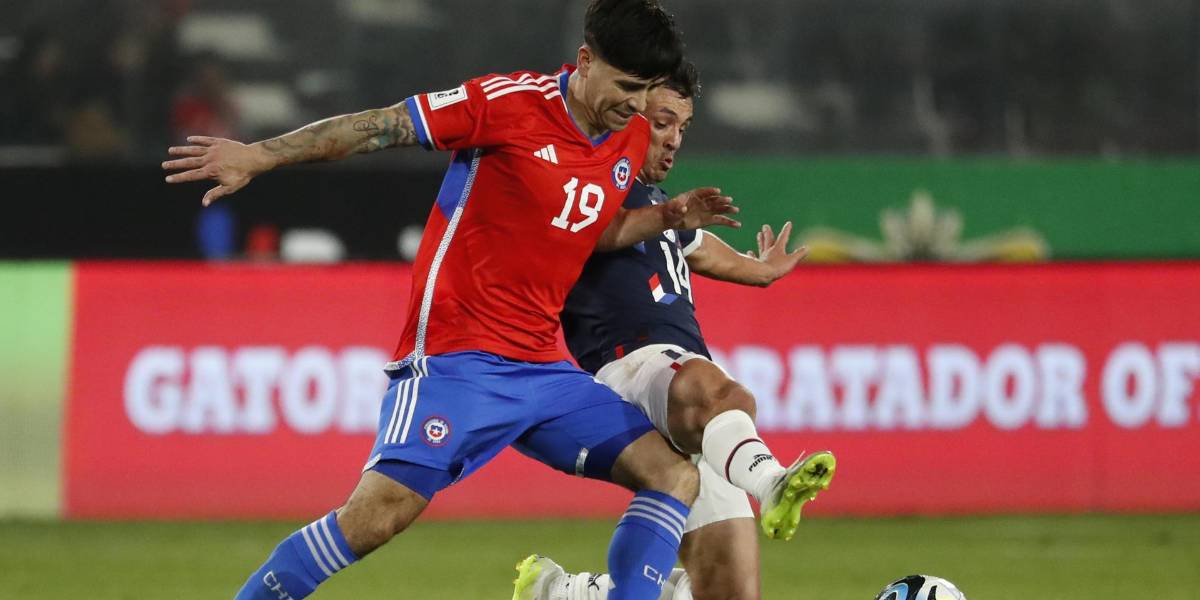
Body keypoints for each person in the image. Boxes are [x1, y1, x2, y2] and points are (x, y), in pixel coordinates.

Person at [162, 2, 739, 599]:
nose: (636, 105)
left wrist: (666, 217)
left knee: (671, 474)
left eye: (645, 90)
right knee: (375, 518)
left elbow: (595, 229)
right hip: (455, 359)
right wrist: (262, 155)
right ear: (586, 61)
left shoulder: (631, 132)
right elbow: (381, 125)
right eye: (625, 86)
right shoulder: (506, 104)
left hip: (543, 368)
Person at [512, 62, 835, 600]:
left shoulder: (659, 206)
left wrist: (761, 270)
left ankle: (564, 592)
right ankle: (771, 480)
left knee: (728, 592)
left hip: (679, 391)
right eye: (663, 123)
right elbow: (587, 233)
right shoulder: (584, 187)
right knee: (725, 394)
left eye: (683, 128)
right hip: (631, 366)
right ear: (627, 114)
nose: (674, 140)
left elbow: (702, 249)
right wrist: (670, 219)